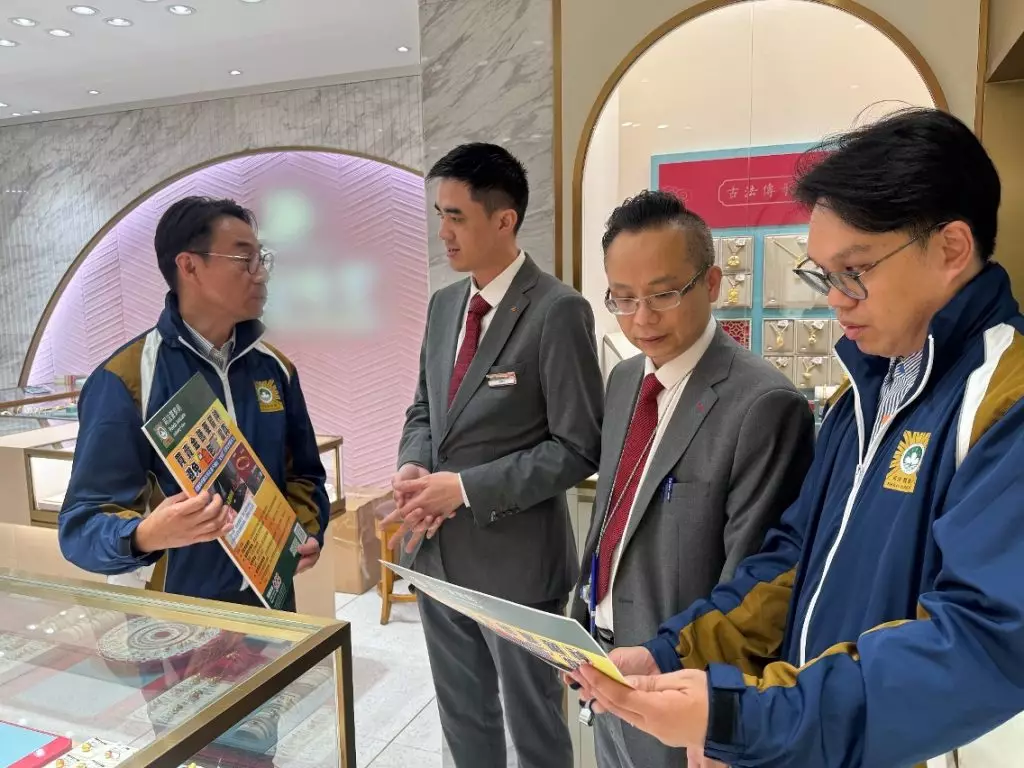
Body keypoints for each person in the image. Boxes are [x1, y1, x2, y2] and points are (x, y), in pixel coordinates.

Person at [570, 107, 1024, 767]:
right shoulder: (862, 394)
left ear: (951, 248)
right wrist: (672, 652)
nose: (834, 299)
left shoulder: (1002, 400)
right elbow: (789, 562)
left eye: (854, 270)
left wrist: (751, 718)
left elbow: (980, 642)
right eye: (823, 275)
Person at [568, 190, 815, 768]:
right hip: (605, 659)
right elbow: (613, 514)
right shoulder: (625, 380)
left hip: (681, 685)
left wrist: (721, 711)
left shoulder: (762, 404)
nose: (642, 318)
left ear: (712, 283)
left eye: (663, 294)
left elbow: (754, 580)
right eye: (623, 298)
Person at [383, 142, 603, 768]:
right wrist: (414, 465)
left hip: (518, 568)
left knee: (535, 731)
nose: (443, 232)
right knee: (464, 721)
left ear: (504, 220)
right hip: (437, 554)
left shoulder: (557, 310)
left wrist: (464, 488)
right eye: (440, 214)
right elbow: (424, 408)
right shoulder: (444, 305)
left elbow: (578, 446)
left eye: (456, 216)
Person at [59, 196, 328, 610]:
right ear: (189, 266)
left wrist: (304, 529)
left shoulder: (275, 369)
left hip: (271, 606)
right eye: (244, 260)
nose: (261, 274)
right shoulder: (127, 379)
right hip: (174, 617)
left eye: (262, 259)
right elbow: (81, 526)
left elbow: (304, 474)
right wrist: (145, 535)